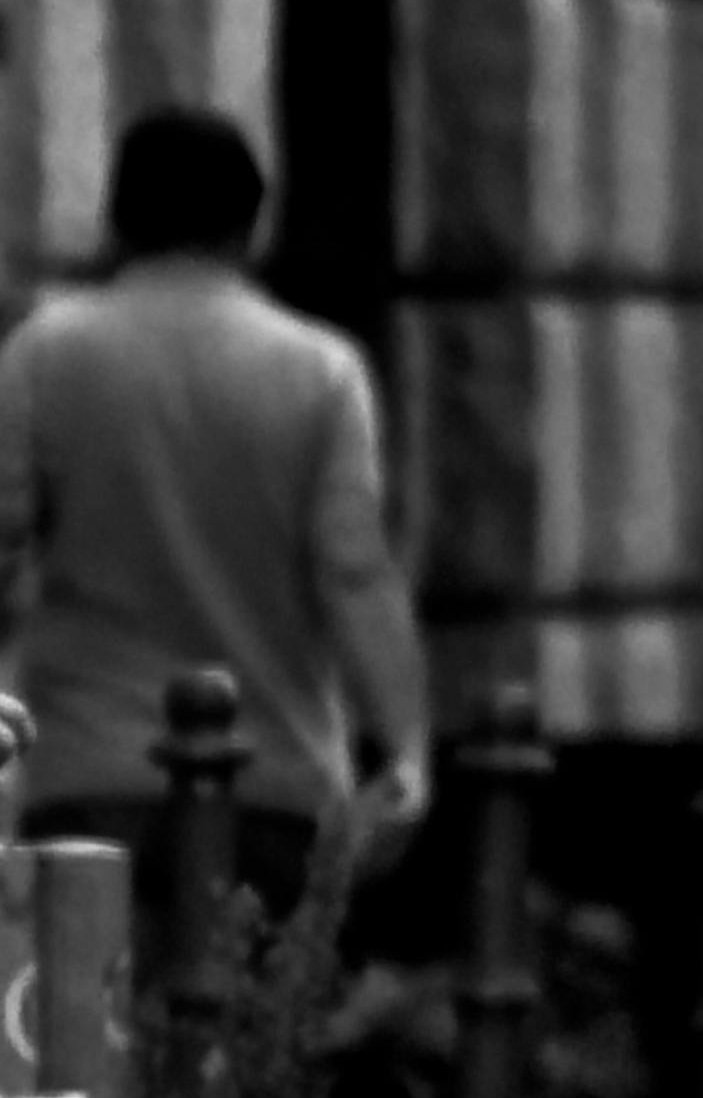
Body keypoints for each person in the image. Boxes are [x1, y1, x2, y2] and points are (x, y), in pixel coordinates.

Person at [0, 104, 428, 893]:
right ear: (252, 226)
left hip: (84, 775)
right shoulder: (320, 372)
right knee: (243, 1010)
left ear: (114, 218)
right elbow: (354, 573)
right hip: (272, 781)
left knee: (87, 1011)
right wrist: (405, 750)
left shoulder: (45, 355)